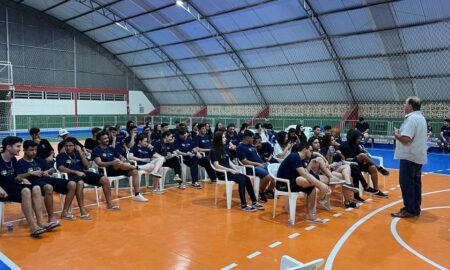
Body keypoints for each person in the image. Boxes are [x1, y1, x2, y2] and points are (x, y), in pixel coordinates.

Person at [0, 136, 58, 238]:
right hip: (3, 190)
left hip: (12, 187)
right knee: (26, 190)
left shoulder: (13, 160)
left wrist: (23, 179)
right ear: (8, 147)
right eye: (18, 146)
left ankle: (40, 222)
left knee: (36, 188)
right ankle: (33, 227)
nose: (20, 149)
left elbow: (15, 177)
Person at [57, 137, 120, 215]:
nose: (68, 147)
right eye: (66, 146)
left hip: (83, 173)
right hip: (71, 175)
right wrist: (76, 172)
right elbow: (61, 168)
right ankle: (82, 209)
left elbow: (87, 166)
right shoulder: (61, 156)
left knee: (104, 179)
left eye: (70, 146)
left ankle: (109, 204)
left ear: (75, 146)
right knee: (80, 183)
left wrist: (81, 152)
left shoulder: (78, 154)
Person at [17, 140, 76, 223]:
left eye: (35, 150)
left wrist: (47, 171)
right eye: (31, 150)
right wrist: (30, 173)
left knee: (72, 184)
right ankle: (51, 217)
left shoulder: (38, 159)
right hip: (33, 183)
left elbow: (53, 169)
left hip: (46, 179)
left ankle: (65, 212)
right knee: (48, 187)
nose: (34, 152)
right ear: (25, 150)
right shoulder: (20, 163)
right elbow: (18, 177)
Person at [210, 131, 264, 212]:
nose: (225, 139)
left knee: (246, 178)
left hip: (230, 172)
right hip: (222, 174)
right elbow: (216, 165)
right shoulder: (213, 151)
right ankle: (243, 205)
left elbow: (229, 162)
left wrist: (235, 169)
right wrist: (230, 170)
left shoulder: (224, 148)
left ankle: (254, 202)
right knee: (242, 180)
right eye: (223, 137)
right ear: (218, 139)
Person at [391, 96, 427, 218]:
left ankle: (409, 209)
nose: (403, 105)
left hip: (409, 157)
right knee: (416, 184)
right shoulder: (421, 118)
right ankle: (415, 208)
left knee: (406, 183)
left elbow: (406, 139)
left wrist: (396, 134)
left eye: (405, 103)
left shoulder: (411, 119)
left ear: (410, 106)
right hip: (417, 156)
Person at [277, 143, 331, 224]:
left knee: (311, 187)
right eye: (311, 150)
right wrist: (320, 184)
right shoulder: (294, 156)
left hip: (294, 183)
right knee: (301, 180)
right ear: (305, 150)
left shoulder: (302, 159)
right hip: (283, 184)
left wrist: (311, 166)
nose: (312, 153)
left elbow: (306, 172)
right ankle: (322, 196)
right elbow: (304, 174)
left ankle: (310, 215)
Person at [91, 131, 147, 202]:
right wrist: (112, 162)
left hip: (119, 168)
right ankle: (138, 167)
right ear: (99, 140)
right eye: (105, 138)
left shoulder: (110, 148)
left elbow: (122, 157)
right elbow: (99, 163)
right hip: (106, 171)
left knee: (134, 172)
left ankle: (137, 194)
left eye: (107, 138)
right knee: (117, 163)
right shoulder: (96, 150)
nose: (107, 139)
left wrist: (121, 160)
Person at [341, 129, 389, 198]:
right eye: (358, 138)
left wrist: (363, 159)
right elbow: (344, 159)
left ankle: (376, 190)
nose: (359, 140)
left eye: (360, 139)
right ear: (353, 137)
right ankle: (379, 167)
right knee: (362, 155)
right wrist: (359, 158)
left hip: (358, 164)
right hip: (349, 165)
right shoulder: (344, 145)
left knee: (372, 167)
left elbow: (360, 156)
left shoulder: (356, 145)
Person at [236, 130, 275, 202]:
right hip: (251, 168)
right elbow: (244, 162)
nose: (253, 140)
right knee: (268, 176)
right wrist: (258, 164)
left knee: (275, 175)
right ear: (247, 138)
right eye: (252, 138)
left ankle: (268, 191)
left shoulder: (251, 146)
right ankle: (260, 192)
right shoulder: (240, 147)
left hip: (261, 164)